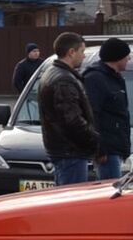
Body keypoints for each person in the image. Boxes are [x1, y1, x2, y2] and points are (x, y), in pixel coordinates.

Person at [39, 32, 98, 187]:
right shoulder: (64, 80)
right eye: (82, 52)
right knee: (72, 202)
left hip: (64, 150)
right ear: (71, 52)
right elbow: (72, 120)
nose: (83, 56)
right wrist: (95, 139)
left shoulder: (51, 72)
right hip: (71, 152)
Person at [84, 37, 131, 180]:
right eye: (126, 56)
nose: (128, 59)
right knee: (110, 190)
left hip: (116, 147)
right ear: (116, 58)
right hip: (107, 151)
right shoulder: (95, 79)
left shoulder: (116, 78)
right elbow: (92, 115)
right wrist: (99, 148)